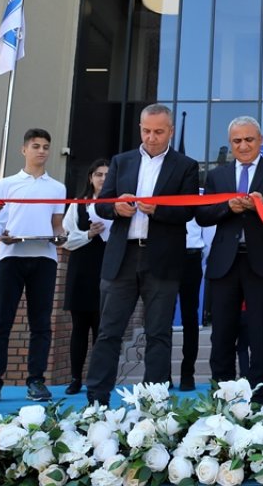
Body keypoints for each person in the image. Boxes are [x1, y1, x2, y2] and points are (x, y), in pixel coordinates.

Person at [84, 104, 200, 407]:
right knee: (109, 332)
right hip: (121, 257)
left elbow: (189, 210)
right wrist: (116, 207)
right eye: (147, 130)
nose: (151, 137)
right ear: (140, 128)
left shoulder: (186, 165)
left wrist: (158, 209)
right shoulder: (121, 162)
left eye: (159, 132)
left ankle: (154, 403)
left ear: (170, 131)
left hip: (161, 259)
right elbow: (101, 205)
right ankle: (96, 400)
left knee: (158, 334)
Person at [196, 116, 263, 404]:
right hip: (225, 262)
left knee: (261, 332)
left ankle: (259, 395)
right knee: (222, 332)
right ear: (230, 144)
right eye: (237, 141)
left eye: (249, 139)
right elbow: (202, 214)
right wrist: (228, 206)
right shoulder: (217, 176)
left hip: (262, 261)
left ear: (260, 141)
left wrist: (262, 206)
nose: (244, 145)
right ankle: (223, 393)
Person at [0, 129, 67, 404]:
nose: (41, 151)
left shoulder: (57, 187)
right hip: (9, 257)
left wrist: (61, 237)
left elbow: (57, 225)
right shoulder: (6, 184)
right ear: (23, 150)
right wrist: (2, 235)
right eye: (36, 146)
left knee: (41, 323)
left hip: (44, 258)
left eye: (46, 146)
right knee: (1, 321)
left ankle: (36, 381)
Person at [59, 158, 111, 395]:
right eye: (98, 174)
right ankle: (75, 377)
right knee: (79, 327)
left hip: (107, 270)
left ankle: (97, 378)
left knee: (102, 329)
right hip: (81, 270)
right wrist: (88, 234)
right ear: (90, 177)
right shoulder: (77, 204)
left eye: (107, 174)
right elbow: (67, 239)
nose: (102, 178)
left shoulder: (117, 204)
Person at [177, 217, 205, 391]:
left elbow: (208, 234)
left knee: (190, 318)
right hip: (166, 256)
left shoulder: (199, 195)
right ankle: (162, 374)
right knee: (161, 317)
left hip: (191, 256)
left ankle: (188, 374)